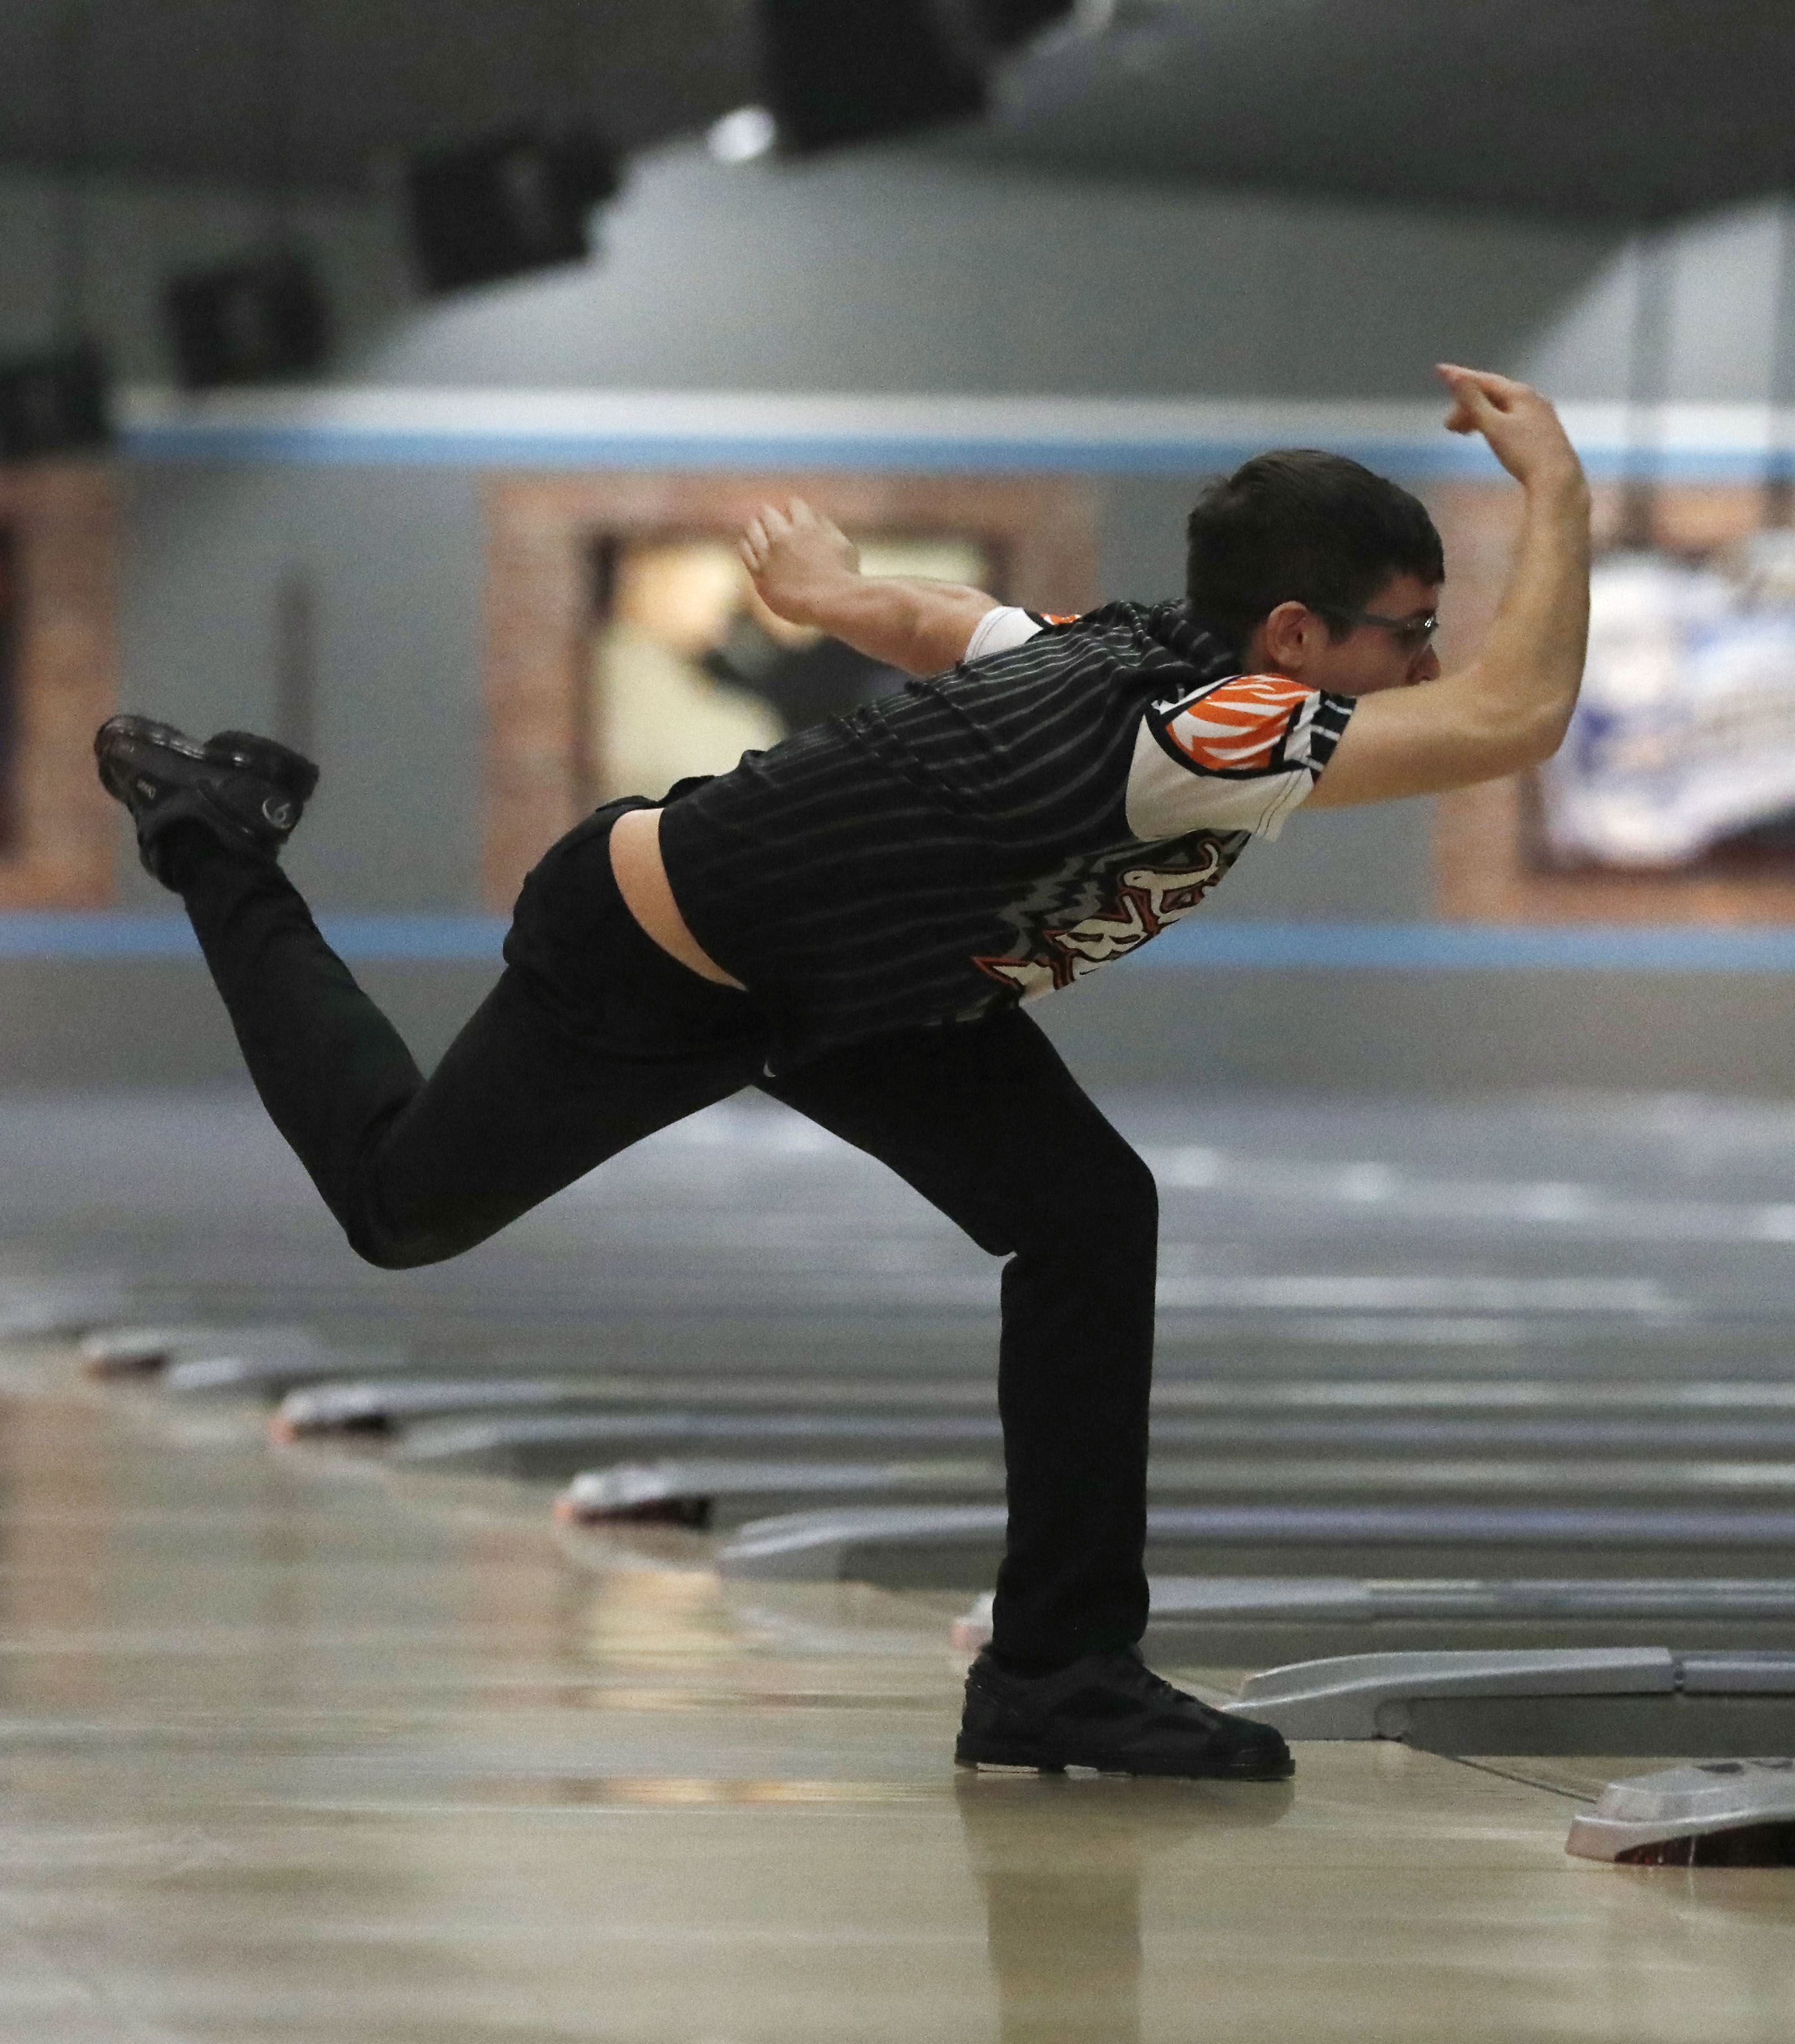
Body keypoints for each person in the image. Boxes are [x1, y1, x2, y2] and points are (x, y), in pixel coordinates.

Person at [88, 363, 1591, 1781]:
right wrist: (1562, 494)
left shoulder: (1128, 652)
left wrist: (839, 595)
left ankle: (1056, 1675)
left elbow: (959, 625)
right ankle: (218, 844)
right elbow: (1513, 720)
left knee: (1085, 1215)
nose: (1430, 663)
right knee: (397, 1204)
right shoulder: (1205, 729)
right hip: (657, 956)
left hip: (863, 990)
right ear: (1291, 637)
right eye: (1406, 633)